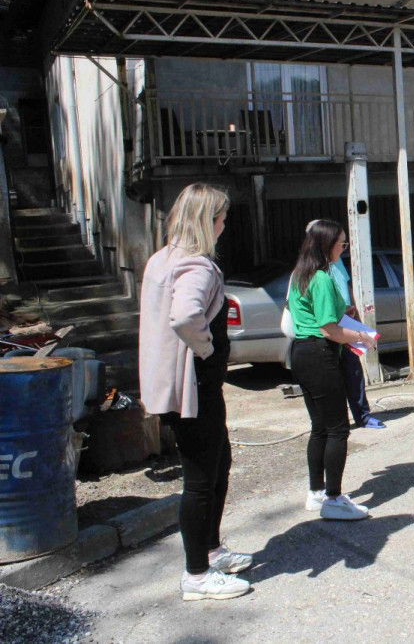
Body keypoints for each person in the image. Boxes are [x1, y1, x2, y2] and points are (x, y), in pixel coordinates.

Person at [139, 183, 252, 601]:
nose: (225, 225)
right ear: (210, 221)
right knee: (202, 479)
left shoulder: (163, 258)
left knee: (219, 464)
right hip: (194, 387)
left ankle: (211, 549)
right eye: (222, 218)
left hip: (180, 385)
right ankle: (197, 575)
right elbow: (185, 317)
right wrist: (206, 348)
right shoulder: (196, 266)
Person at [289, 219, 377, 521]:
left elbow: (321, 315)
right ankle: (334, 498)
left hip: (301, 353)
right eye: (342, 243)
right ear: (327, 245)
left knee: (320, 427)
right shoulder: (323, 278)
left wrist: (344, 316)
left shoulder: (301, 273)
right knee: (339, 429)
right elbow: (329, 330)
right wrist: (363, 337)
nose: (344, 247)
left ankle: (316, 492)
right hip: (320, 354)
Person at [306, 219, 385, 430]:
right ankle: (334, 423)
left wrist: (355, 311)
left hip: (345, 320)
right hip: (330, 330)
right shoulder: (314, 273)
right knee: (332, 379)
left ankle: (362, 415)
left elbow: (347, 286)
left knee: (353, 371)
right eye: (341, 242)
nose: (344, 247)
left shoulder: (337, 261)